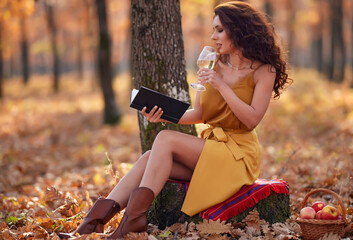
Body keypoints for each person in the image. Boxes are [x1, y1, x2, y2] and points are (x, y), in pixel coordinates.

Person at [58, 1, 290, 239]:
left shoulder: (264, 70)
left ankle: (131, 223)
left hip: (239, 155)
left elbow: (252, 120)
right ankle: (92, 224)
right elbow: (199, 114)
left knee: (166, 139)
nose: (213, 36)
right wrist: (161, 116)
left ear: (239, 29)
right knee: (149, 158)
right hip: (213, 148)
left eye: (219, 29)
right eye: (213, 30)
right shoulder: (213, 63)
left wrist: (220, 86)